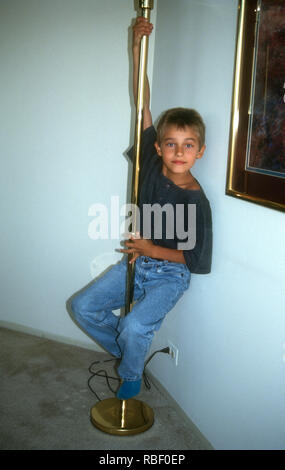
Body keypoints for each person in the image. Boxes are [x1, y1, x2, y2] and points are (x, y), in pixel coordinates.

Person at [71, 17, 212, 400]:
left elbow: (196, 259)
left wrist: (151, 250)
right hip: (136, 264)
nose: (178, 151)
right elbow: (142, 106)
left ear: (199, 152)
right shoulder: (149, 165)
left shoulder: (196, 200)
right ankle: (126, 353)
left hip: (170, 275)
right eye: (170, 143)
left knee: (134, 326)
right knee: (82, 307)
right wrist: (137, 50)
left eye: (187, 145)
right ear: (157, 148)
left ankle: (130, 371)